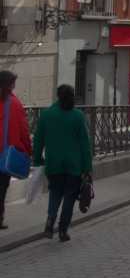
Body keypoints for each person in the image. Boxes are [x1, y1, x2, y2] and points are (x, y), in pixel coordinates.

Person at [33, 84, 92, 243]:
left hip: (53, 162)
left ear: (57, 96)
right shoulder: (77, 115)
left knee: (55, 192)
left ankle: (50, 220)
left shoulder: (46, 114)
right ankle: (63, 230)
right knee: (70, 196)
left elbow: (38, 140)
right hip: (74, 164)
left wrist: (38, 159)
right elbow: (85, 144)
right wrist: (88, 167)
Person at [0, 70, 32, 231]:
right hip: (4, 153)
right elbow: (23, 130)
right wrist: (28, 149)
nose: (15, 85)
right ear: (9, 84)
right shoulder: (14, 103)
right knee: (1, 186)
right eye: (13, 82)